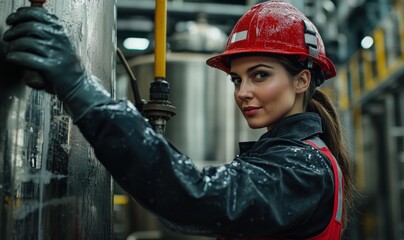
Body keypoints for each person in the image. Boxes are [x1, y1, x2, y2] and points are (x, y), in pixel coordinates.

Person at [1, 0, 355, 239]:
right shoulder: (292, 158)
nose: (242, 92)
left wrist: (82, 89)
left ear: (301, 80)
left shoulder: (301, 168)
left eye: (260, 75)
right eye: (236, 79)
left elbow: (196, 195)